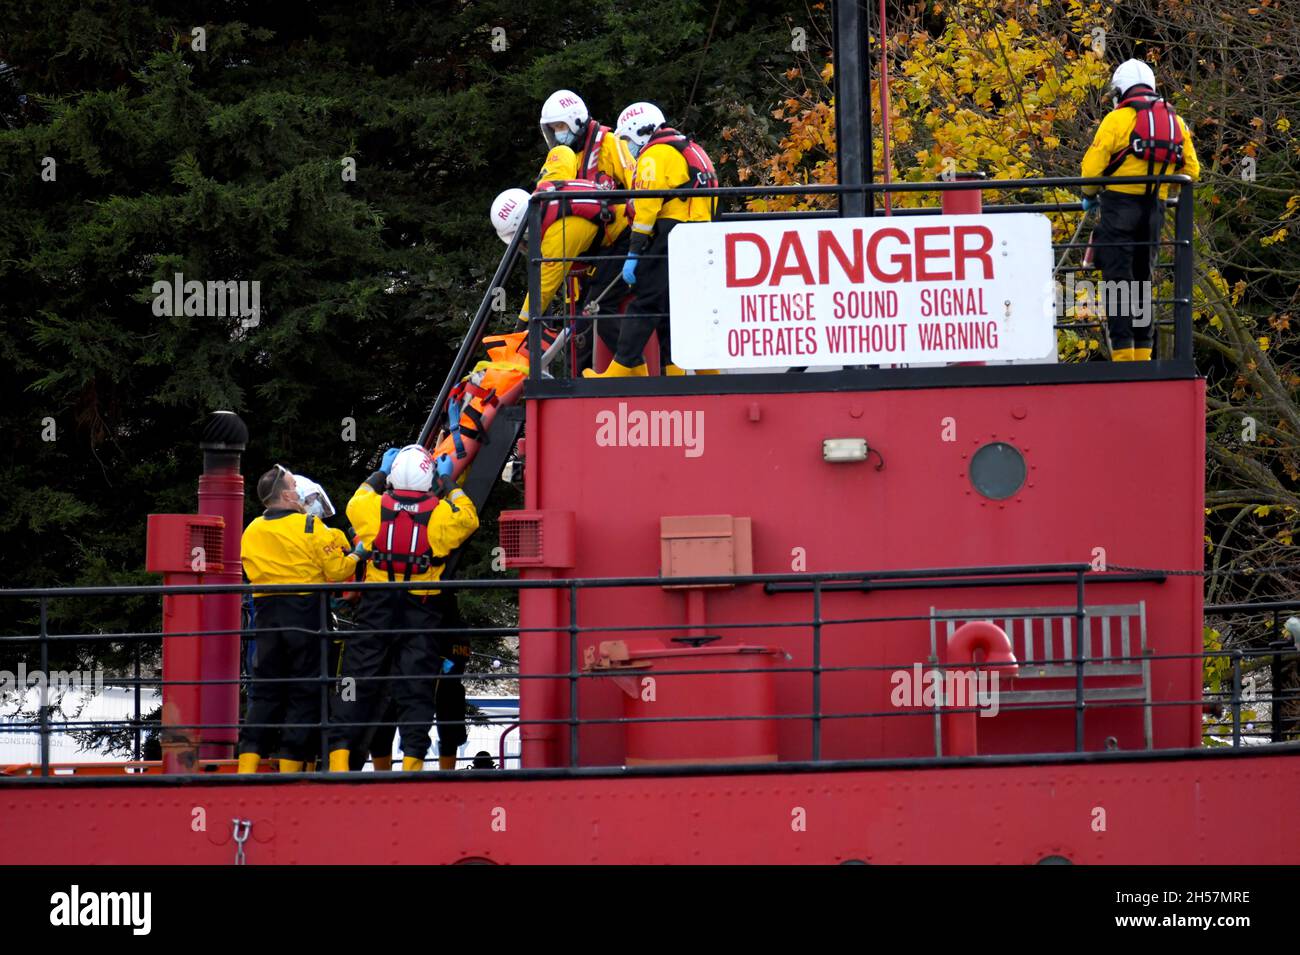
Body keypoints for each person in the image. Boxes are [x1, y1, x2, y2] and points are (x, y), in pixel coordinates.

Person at [328, 445, 479, 772]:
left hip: (376, 609)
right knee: (416, 688)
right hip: (420, 609)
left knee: (356, 682)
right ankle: (412, 765)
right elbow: (469, 516)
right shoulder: (440, 515)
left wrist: (379, 472)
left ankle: (339, 759)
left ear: (394, 477)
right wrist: (449, 482)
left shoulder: (370, 509)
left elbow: (356, 500)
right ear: (429, 478)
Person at [238, 465, 368, 774]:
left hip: (267, 618)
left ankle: (246, 766)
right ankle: (291, 769)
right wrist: (359, 554)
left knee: (267, 693)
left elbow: (247, 570)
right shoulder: (310, 525)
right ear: (286, 494)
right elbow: (337, 571)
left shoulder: (252, 530)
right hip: (305, 614)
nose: (298, 491)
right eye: (294, 486)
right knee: (305, 692)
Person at [584, 102, 718, 378]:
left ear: (638, 131)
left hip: (672, 234)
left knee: (645, 302)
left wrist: (633, 253)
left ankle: (620, 369)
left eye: (627, 139)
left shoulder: (654, 155)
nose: (628, 147)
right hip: (701, 235)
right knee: (673, 309)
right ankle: (691, 373)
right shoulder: (690, 148)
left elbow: (646, 208)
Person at [1080, 58, 1200, 361]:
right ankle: (1144, 354)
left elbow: (1091, 171)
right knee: (1143, 279)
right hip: (1154, 211)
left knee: (1118, 281)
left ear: (1120, 91)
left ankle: (1123, 356)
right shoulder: (1176, 121)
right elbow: (1193, 171)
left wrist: (1089, 194)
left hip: (1118, 208)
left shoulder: (1116, 120)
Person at [537, 90, 636, 191]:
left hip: (608, 206)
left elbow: (633, 181)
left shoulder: (610, 141)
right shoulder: (561, 157)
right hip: (569, 206)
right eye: (553, 129)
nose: (557, 133)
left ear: (576, 120)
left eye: (560, 126)